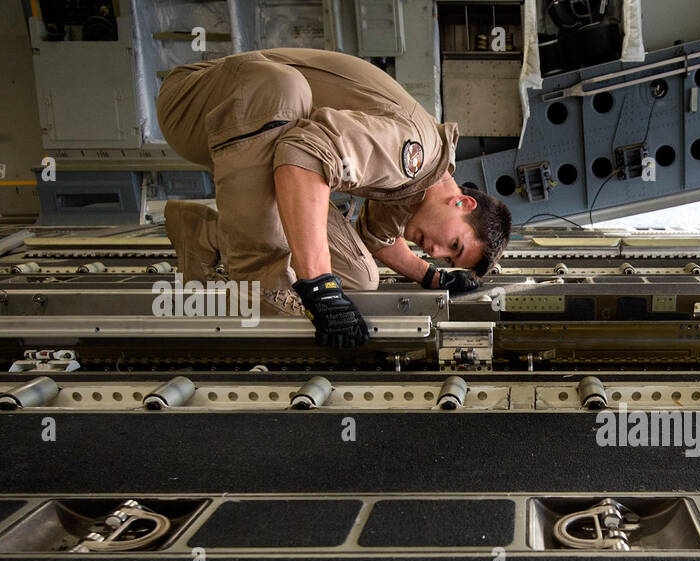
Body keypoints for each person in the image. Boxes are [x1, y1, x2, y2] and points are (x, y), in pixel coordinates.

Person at [155, 48, 511, 348]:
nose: (436, 253)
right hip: (197, 100)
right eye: (454, 245)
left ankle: (202, 233)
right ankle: (253, 273)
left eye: (448, 259)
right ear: (463, 204)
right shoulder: (412, 153)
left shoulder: (418, 187)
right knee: (281, 89)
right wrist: (319, 286)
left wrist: (432, 278)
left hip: (257, 133)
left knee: (358, 279)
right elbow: (305, 154)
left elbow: (378, 239)